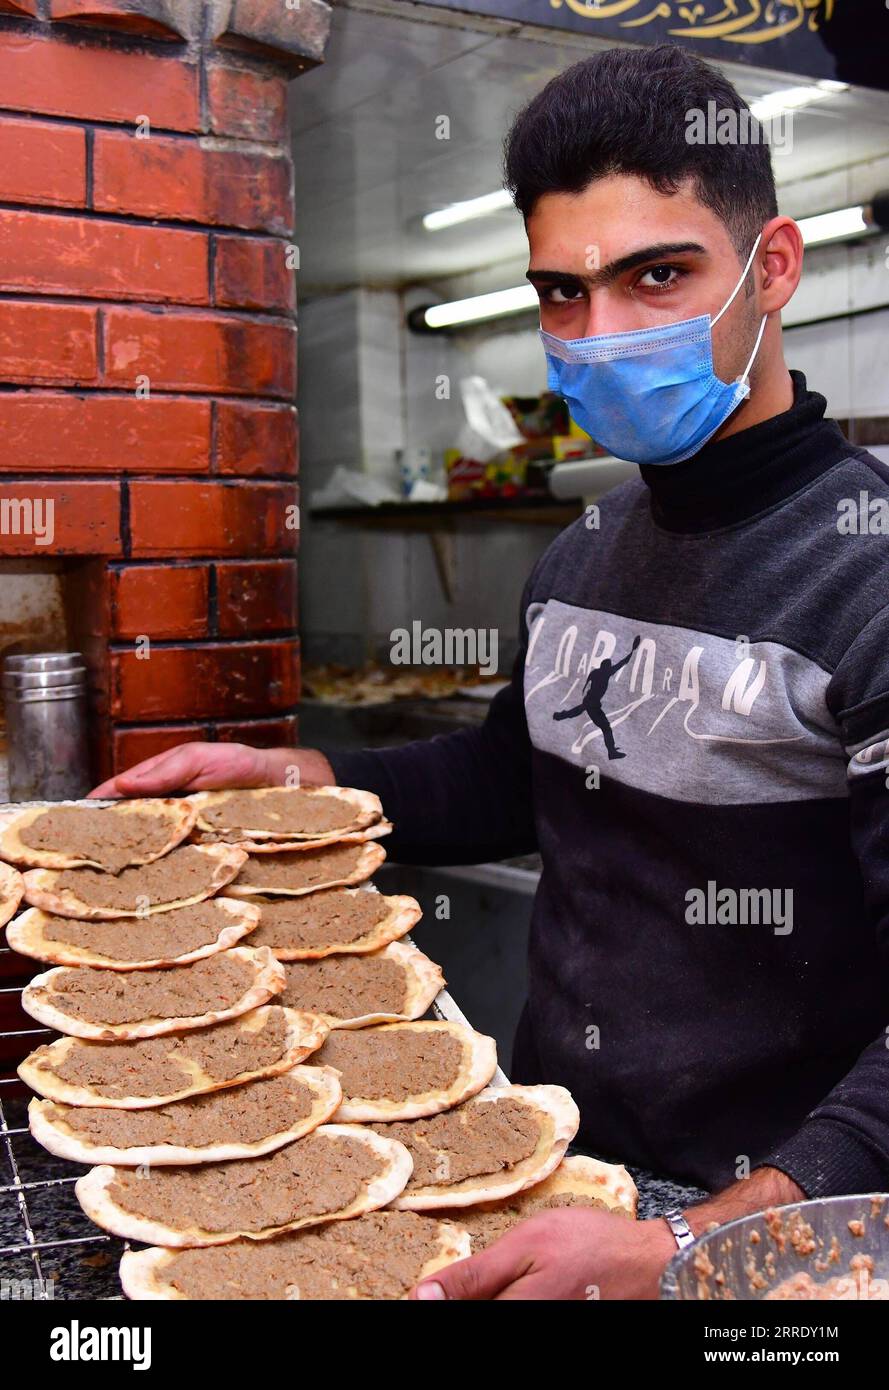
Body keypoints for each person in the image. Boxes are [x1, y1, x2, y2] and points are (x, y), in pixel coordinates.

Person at [92, 45, 889, 1299]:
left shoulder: (864, 576)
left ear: (771, 267)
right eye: (561, 294)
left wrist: (694, 1248)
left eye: (656, 276)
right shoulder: (581, 550)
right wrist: (295, 775)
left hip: (774, 1226)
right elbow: (510, 779)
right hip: (556, 1167)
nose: (600, 334)